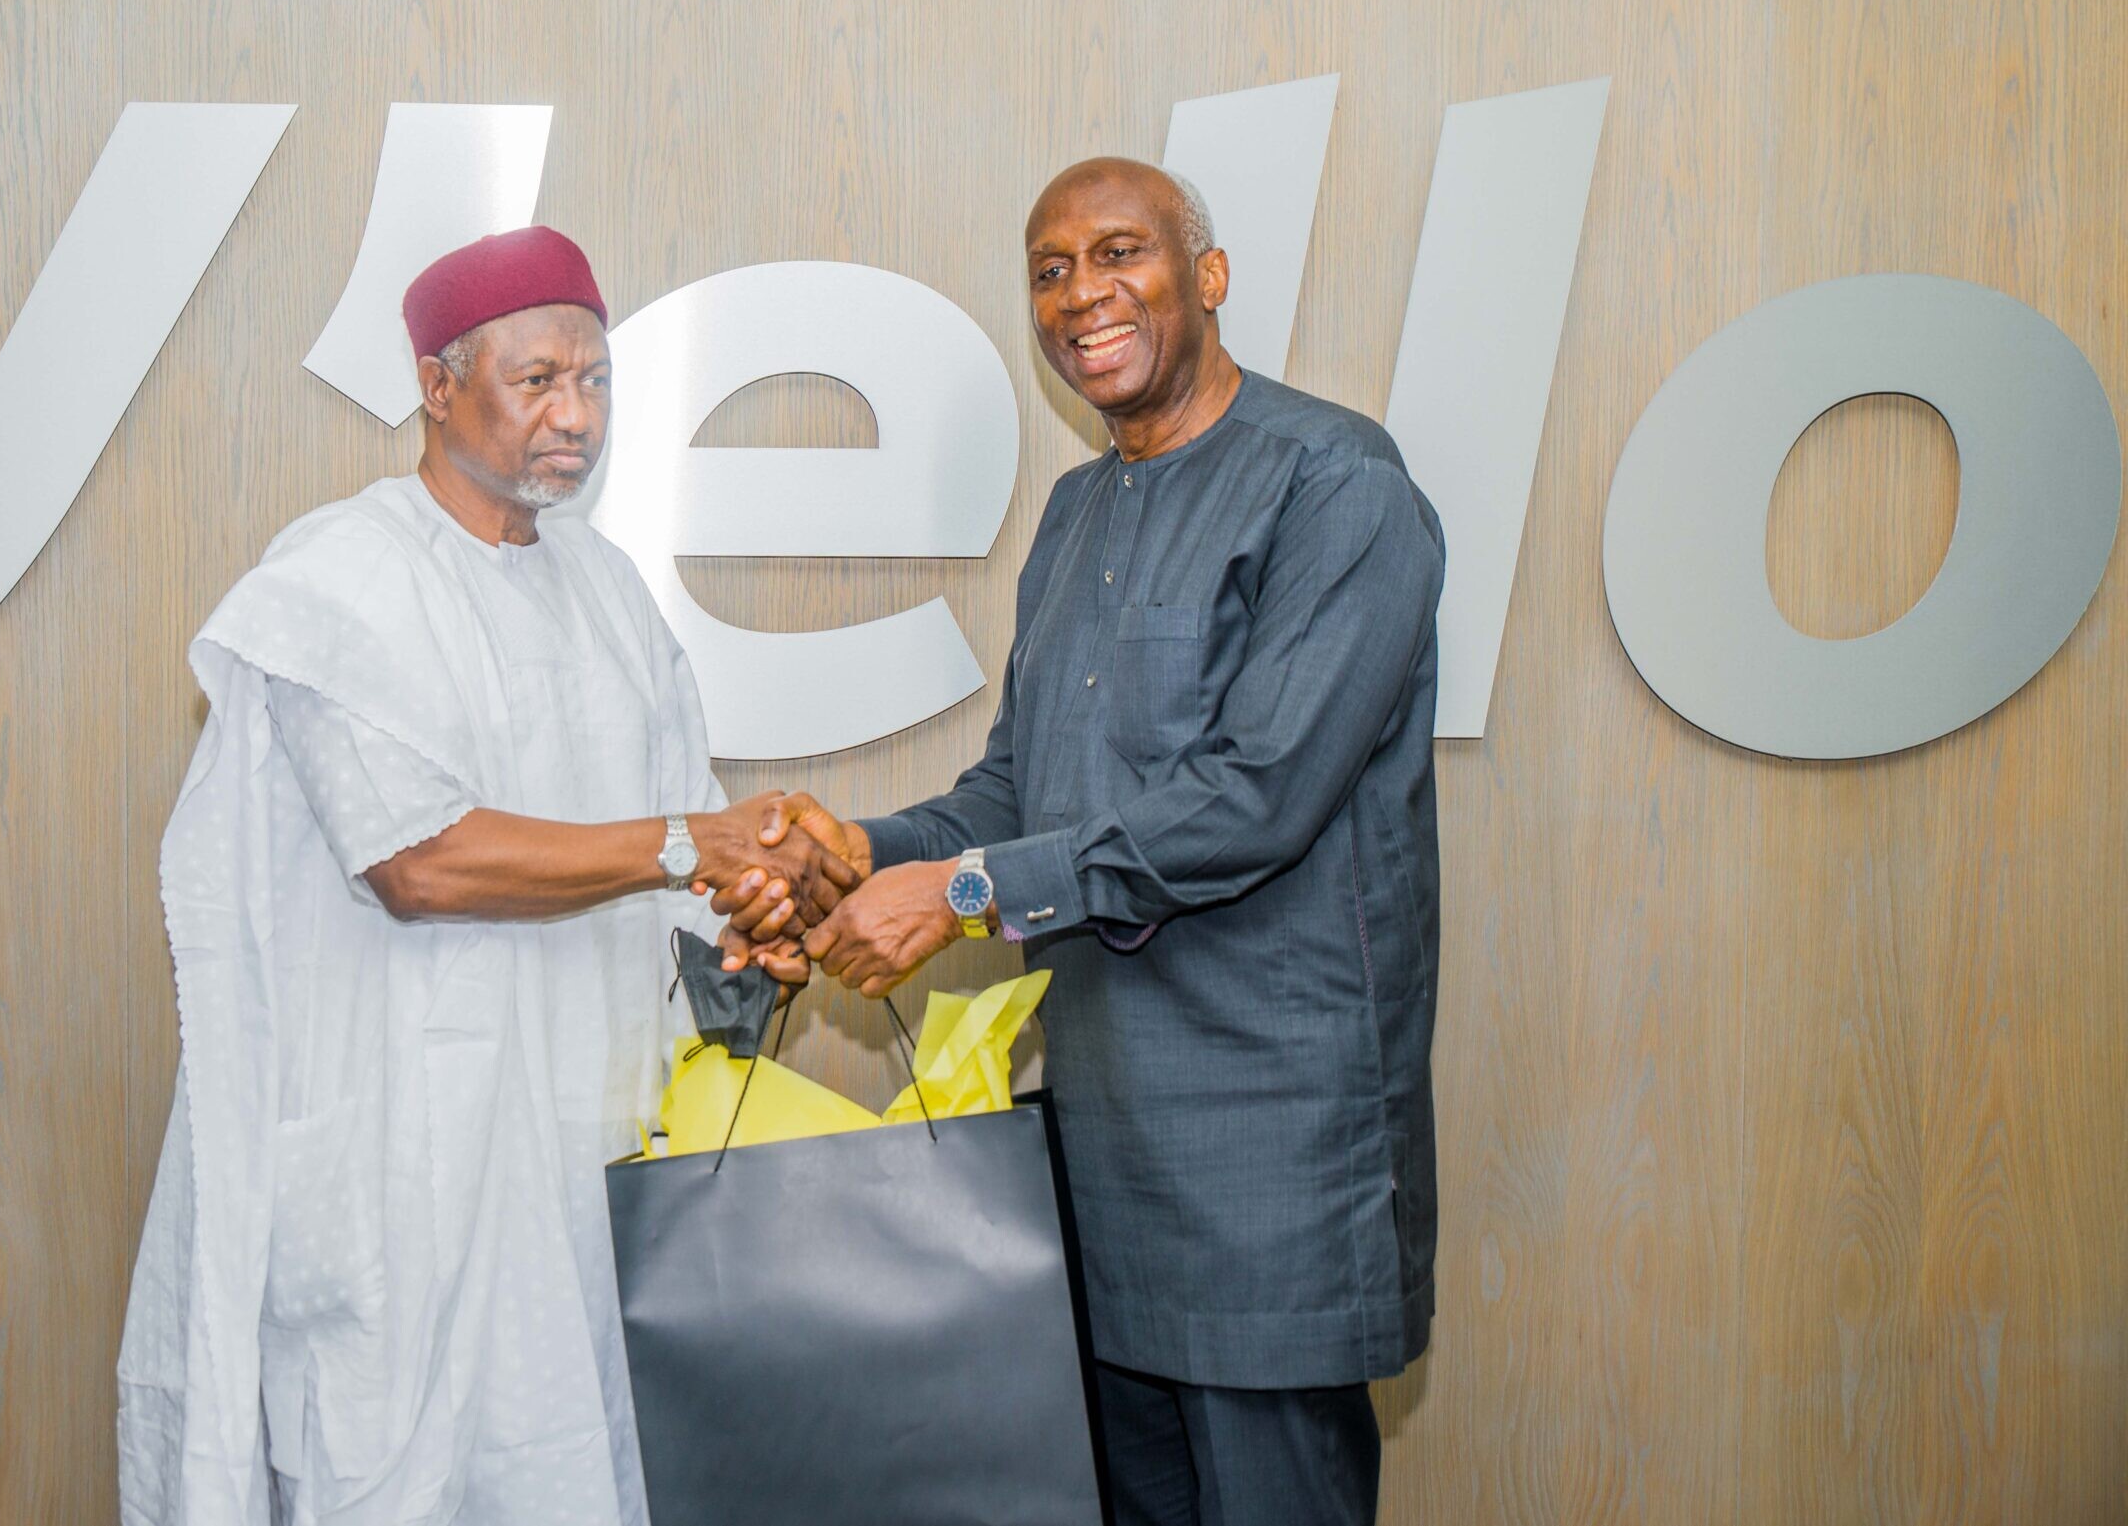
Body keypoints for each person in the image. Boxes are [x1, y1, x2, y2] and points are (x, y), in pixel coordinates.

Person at [730, 160, 1447, 1526]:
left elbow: (1256, 796)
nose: (1082, 293)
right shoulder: (1076, 515)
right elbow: (1018, 790)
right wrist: (855, 850)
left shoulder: (1336, 485)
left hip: (1270, 1167)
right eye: (1050, 269)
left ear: (1210, 274)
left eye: (1120, 252)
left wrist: (964, 893)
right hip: (1099, 1163)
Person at [117, 226, 852, 1526]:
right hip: (407, 1167)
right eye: (536, 381)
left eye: (596, 381)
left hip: (581, 1159)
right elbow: (420, 859)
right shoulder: (340, 580)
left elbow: (674, 854)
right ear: (438, 385)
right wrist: (694, 841)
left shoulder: (609, 593)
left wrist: (752, 916)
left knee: (572, 1469)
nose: (575, 416)